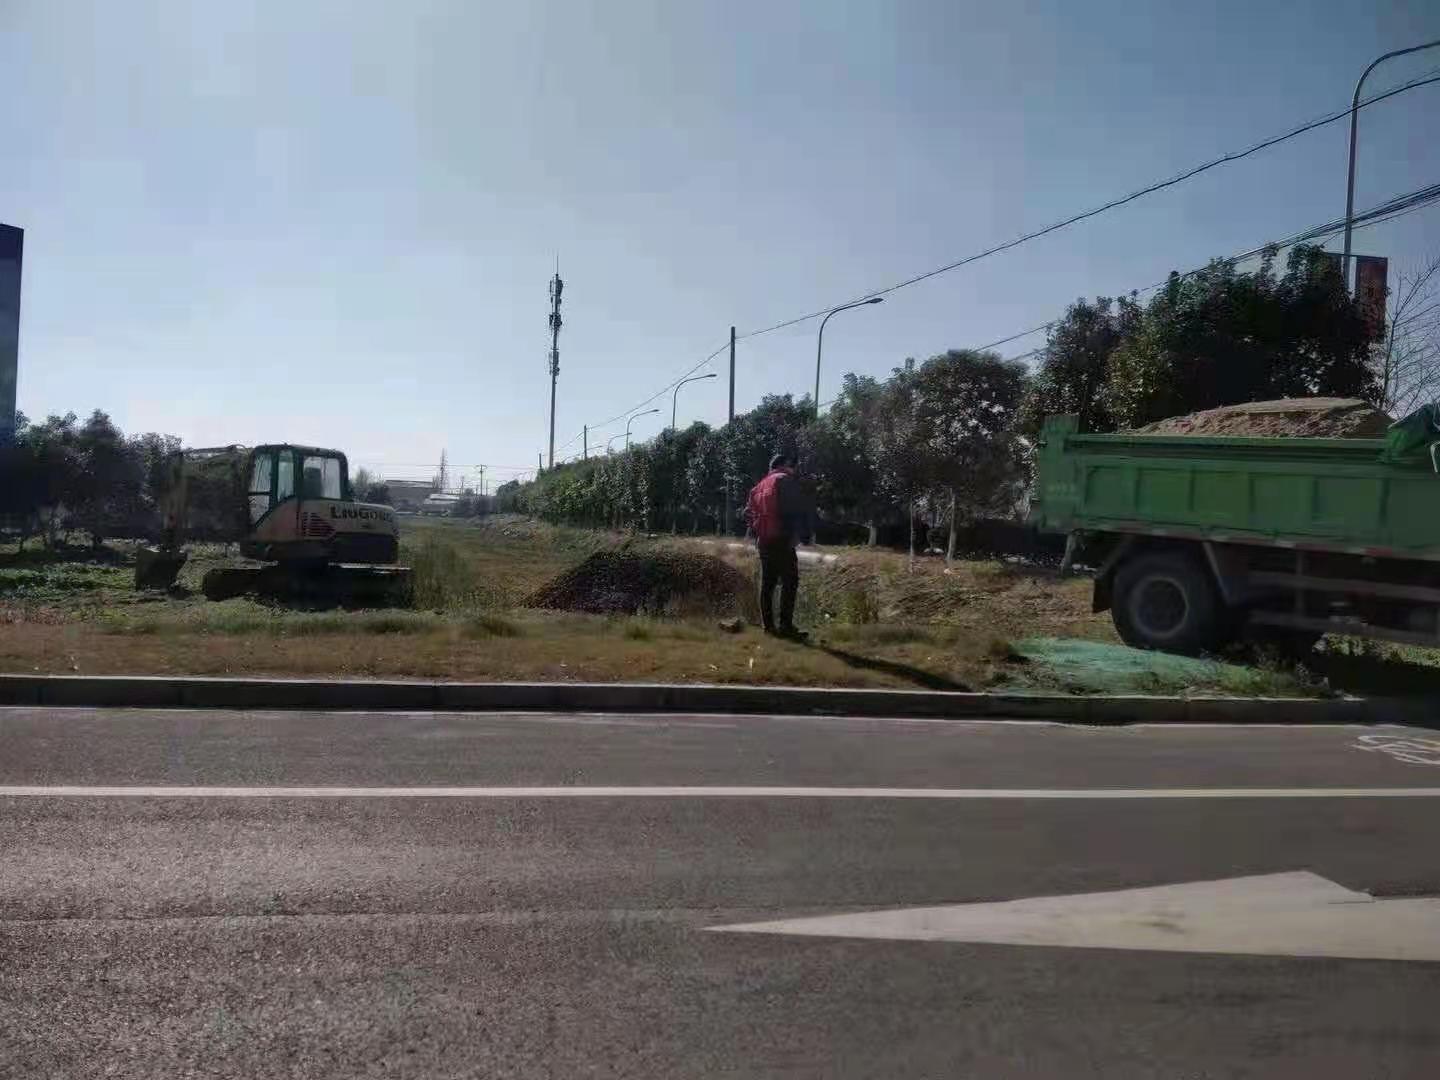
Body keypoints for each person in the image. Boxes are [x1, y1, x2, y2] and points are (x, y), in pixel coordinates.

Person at [744, 453, 813, 638]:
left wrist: (756, 532)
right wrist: (803, 536)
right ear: (786, 464)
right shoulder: (785, 480)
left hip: (764, 541)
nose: (794, 470)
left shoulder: (758, 487)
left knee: (767, 584)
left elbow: (748, 513)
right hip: (782, 539)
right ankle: (786, 626)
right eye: (793, 466)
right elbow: (794, 510)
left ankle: (768, 627)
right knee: (790, 582)